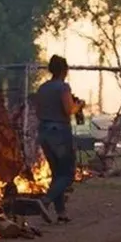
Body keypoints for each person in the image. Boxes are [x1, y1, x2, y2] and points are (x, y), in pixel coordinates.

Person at [33, 55, 82, 223]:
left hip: (44, 132)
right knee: (67, 174)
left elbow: (38, 111)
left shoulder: (42, 88)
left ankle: (61, 212)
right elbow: (69, 110)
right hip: (59, 132)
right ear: (64, 70)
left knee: (56, 173)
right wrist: (79, 105)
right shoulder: (63, 87)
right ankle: (45, 201)